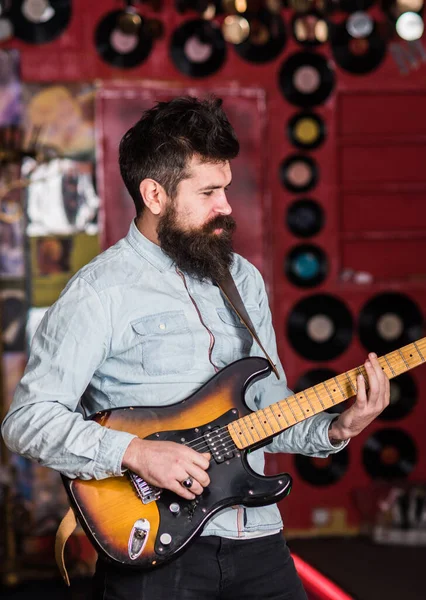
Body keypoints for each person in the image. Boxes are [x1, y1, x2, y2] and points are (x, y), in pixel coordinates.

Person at [1, 96, 390, 600]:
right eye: (209, 192)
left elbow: (265, 406)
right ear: (155, 195)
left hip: (257, 536)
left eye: (225, 189)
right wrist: (135, 452)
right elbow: (27, 421)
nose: (226, 206)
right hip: (157, 548)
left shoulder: (243, 279)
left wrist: (335, 428)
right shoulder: (99, 292)